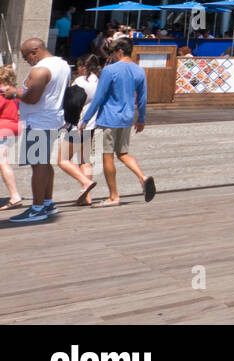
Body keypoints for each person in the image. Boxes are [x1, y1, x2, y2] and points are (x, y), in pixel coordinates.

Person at [76, 38, 156, 206]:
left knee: (108, 156)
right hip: (127, 118)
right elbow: (142, 98)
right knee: (123, 153)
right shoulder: (139, 70)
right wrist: (141, 119)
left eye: (112, 52)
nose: (110, 55)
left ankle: (114, 196)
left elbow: (99, 97)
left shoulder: (110, 70)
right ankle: (143, 177)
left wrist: (85, 119)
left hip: (108, 119)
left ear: (120, 51)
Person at [3, 39, 70, 223]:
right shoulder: (62, 64)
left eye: (26, 57)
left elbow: (32, 98)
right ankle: (47, 203)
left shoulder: (40, 70)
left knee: (38, 164)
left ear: (35, 51)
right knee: (44, 163)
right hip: (52, 119)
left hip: (38, 121)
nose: (27, 61)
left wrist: (15, 93)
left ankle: (37, 208)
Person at [57, 55, 99, 204]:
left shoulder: (80, 82)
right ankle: (87, 197)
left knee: (63, 160)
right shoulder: (98, 82)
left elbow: (71, 104)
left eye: (80, 66)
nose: (78, 69)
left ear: (83, 67)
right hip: (91, 126)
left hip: (77, 125)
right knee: (85, 161)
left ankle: (85, 183)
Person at [0, 66, 24, 211]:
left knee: (3, 162)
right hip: (14, 127)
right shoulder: (16, 92)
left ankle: (15, 196)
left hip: (2, 129)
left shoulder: (2, 93)